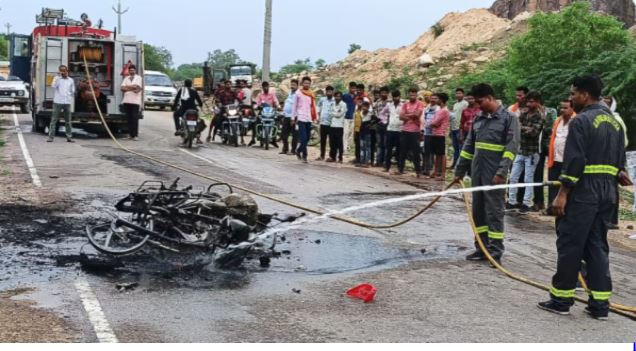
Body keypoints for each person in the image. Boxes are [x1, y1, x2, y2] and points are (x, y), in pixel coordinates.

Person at [538, 75, 632, 320]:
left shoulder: (582, 121)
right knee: (597, 245)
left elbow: (575, 160)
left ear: (585, 95)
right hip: (607, 192)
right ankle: (600, 305)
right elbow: (620, 162)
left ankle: (561, 300)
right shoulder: (614, 123)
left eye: (573, 94)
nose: (571, 98)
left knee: (570, 244)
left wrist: (562, 194)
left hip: (584, 192)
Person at [454, 83, 520, 263]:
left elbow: (511, 148)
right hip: (477, 171)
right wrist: (459, 170)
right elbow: (468, 146)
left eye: (480, 101)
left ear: (490, 98)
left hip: (495, 173)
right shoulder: (478, 119)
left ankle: (495, 251)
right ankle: (481, 248)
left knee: (494, 212)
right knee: (478, 210)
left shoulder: (509, 118)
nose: (478, 105)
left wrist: (501, 172)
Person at [506, 91, 545, 213]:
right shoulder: (523, 113)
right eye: (528, 101)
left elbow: (533, 133)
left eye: (531, 101)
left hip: (532, 152)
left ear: (537, 102)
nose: (529, 103)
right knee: (513, 177)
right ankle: (511, 201)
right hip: (521, 150)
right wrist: (525, 128)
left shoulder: (540, 116)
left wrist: (523, 128)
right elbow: (516, 128)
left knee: (529, 178)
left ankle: (526, 203)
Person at [545, 100, 576, 216]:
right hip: (555, 158)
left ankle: (565, 207)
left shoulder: (577, 121)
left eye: (566, 108)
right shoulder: (558, 120)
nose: (562, 110)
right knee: (552, 183)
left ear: (572, 109)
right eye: (561, 107)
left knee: (565, 185)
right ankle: (551, 207)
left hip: (567, 160)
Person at [603, 96, 629, 229]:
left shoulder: (617, 120)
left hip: (615, 158)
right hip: (605, 157)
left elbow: (623, 142)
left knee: (613, 189)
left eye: (607, 104)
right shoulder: (604, 118)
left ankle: (613, 220)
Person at [397, 88, 424, 177]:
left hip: (415, 131)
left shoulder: (420, 104)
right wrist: (411, 116)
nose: (412, 96)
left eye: (414, 95)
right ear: (408, 95)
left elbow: (417, 115)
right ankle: (400, 169)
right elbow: (400, 116)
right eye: (411, 94)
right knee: (402, 151)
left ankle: (418, 171)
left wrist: (407, 115)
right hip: (405, 130)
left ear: (416, 95)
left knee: (416, 152)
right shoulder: (405, 104)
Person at [47, 65, 75, 143]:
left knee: (68, 121)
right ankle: (51, 137)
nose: (63, 72)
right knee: (54, 120)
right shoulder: (57, 78)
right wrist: (58, 77)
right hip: (57, 102)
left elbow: (73, 90)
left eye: (64, 70)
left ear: (67, 71)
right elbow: (53, 86)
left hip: (67, 102)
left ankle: (69, 137)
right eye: (61, 70)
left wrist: (69, 96)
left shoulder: (70, 80)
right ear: (59, 71)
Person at [292, 76, 317, 163]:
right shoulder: (298, 93)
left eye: (308, 83)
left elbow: (313, 106)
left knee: (308, 138)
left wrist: (315, 117)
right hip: (301, 117)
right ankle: (304, 156)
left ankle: (298, 150)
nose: (307, 84)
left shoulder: (311, 94)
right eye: (305, 83)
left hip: (309, 118)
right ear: (302, 84)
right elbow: (294, 106)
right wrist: (293, 117)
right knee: (303, 138)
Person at [428, 93, 451, 180]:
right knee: (437, 154)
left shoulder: (444, 111)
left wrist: (431, 123)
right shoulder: (439, 110)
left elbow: (434, 122)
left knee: (442, 154)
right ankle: (435, 171)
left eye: (437, 99)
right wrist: (432, 123)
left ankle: (443, 174)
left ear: (441, 100)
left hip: (441, 134)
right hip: (435, 134)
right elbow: (434, 122)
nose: (436, 100)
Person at [252, 81, 280, 147]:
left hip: (271, 112)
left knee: (276, 122)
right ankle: (253, 138)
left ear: (268, 87)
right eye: (264, 86)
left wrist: (278, 105)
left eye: (267, 86)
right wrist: (256, 106)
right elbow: (257, 103)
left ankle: (274, 140)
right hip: (262, 112)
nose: (265, 88)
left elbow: (276, 101)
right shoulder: (260, 95)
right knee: (255, 122)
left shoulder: (272, 95)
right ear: (262, 87)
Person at [382, 90, 404, 172]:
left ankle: (400, 168)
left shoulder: (403, 105)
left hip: (400, 129)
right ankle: (387, 166)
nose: (396, 98)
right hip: (390, 129)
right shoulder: (389, 105)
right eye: (394, 97)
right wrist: (384, 121)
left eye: (397, 96)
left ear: (400, 96)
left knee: (399, 149)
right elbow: (382, 113)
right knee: (389, 149)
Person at [120, 64, 143, 141]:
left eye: (133, 70)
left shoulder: (139, 78)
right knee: (129, 119)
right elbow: (122, 88)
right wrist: (132, 87)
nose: (131, 71)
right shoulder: (126, 78)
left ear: (135, 70)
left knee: (134, 118)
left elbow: (137, 89)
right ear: (128, 71)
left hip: (135, 101)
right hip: (127, 100)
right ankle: (130, 135)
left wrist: (127, 88)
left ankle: (135, 135)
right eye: (130, 70)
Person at [450, 88, 469, 168]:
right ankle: (454, 163)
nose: (458, 95)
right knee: (455, 147)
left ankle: (460, 165)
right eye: (457, 93)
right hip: (453, 128)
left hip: (460, 128)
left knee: (461, 147)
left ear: (463, 94)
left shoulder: (465, 104)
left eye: (460, 93)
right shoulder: (455, 104)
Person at [421, 94, 439, 176]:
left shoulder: (438, 109)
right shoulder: (426, 108)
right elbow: (422, 119)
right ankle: (426, 168)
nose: (433, 99)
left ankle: (433, 169)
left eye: (435, 98)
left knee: (434, 152)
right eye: (432, 98)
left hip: (435, 133)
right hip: (426, 132)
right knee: (426, 151)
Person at [280, 79, 299, 155]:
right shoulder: (290, 93)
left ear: (297, 86)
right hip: (286, 116)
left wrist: (294, 118)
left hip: (294, 117)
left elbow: (298, 107)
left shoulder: (298, 94)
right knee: (283, 134)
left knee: (295, 135)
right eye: (291, 85)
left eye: (294, 85)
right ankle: (285, 149)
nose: (292, 86)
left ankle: (293, 151)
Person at [316, 86, 335, 160]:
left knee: (331, 141)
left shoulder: (335, 100)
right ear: (326, 92)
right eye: (328, 91)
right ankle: (322, 155)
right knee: (323, 140)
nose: (329, 93)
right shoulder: (322, 100)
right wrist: (318, 116)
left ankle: (331, 156)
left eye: (330, 91)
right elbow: (318, 107)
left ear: (333, 92)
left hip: (331, 124)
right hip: (323, 123)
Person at [328, 91, 347, 163]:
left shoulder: (343, 104)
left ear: (341, 97)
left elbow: (339, 115)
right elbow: (330, 113)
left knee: (339, 142)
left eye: (339, 96)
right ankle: (332, 157)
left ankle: (340, 158)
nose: (337, 98)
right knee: (332, 142)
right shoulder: (332, 103)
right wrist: (335, 113)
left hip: (339, 126)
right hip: (332, 125)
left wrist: (333, 113)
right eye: (336, 96)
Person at [373, 86, 390, 167]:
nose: (383, 94)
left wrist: (387, 121)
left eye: (385, 93)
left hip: (387, 125)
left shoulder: (390, 102)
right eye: (382, 93)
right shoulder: (377, 102)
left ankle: (385, 162)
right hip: (379, 125)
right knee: (379, 144)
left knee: (386, 144)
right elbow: (375, 112)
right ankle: (378, 161)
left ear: (387, 93)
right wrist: (378, 119)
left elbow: (391, 114)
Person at [342, 82, 358, 154]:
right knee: (345, 133)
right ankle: (344, 148)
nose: (353, 89)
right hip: (345, 117)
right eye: (352, 88)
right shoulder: (345, 96)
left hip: (353, 117)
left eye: (354, 88)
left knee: (351, 133)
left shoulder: (356, 96)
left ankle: (348, 147)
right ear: (349, 88)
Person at [357, 101, 373, 167]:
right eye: (363, 106)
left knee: (367, 147)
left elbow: (375, 120)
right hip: (362, 130)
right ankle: (361, 160)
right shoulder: (360, 113)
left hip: (368, 131)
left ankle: (367, 161)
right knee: (362, 146)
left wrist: (370, 125)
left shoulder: (370, 114)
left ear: (368, 107)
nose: (364, 108)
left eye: (366, 107)